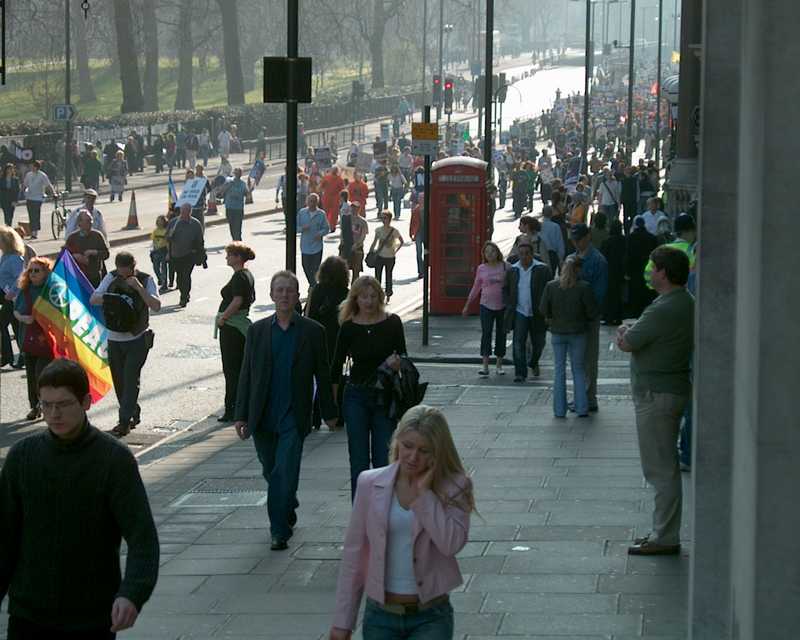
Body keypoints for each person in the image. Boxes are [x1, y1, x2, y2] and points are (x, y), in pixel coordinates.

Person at [0, 359, 160, 638]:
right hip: (29, 614)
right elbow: (5, 537)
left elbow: (142, 537)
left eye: (63, 404)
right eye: (46, 405)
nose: (54, 414)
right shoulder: (22, 457)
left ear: (85, 402)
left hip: (91, 617)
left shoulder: (113, 460)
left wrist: (132, 594)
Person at [329, 405, 474, 640]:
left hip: (431, 617)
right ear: (397, 441)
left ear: (438, 452)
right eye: (408, 446)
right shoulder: (369, 483)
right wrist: (342, 622)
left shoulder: (455, 487)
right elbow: (354, 555)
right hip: (380, 616)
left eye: (424, 450)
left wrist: (425, 495)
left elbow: (451, 544)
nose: (413, 457)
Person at [234, 271, 337, 550]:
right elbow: (246, 373)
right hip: (262, 415)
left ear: (297, 295)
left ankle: (278, 531)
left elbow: (323, 373)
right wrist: (240, 414)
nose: (284, 295)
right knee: (271, 470)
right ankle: (287, 502)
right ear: (271, 295)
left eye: (289, 290)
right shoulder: (257, 331)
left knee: (284, 471)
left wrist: (329, 412)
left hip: (294, 414)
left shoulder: (313, 331)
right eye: (279, 290)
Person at [615, 246, 694, 555]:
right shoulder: (682, 302)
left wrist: (624, 331)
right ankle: (663, 531)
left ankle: (665, 536)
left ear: (664, 272)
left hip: (656, 394)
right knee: (664, 465)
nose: (650, 271)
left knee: (660, 468)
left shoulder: (664, 308)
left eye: (653, 267)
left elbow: (628, 343)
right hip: (670, 390)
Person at [331, 276, 408, 499]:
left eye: (373, 296)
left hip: (384, 395)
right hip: (356, 395)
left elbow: (403, 356)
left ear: (380, 297)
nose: (369, 301)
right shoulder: (348, 327)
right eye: (364, 297)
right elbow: (336, 366)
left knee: (384, 458)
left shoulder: (392, 322)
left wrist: (398, 362)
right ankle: (361, 511)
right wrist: (333, 406)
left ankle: (384, 508)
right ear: (355, 299)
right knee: (359, 460)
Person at [90, 251, 160, 437]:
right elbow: (94, 299)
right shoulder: (111, 278)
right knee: (120, 382)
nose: (122, 273)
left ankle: (124, 421)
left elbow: (156, 305)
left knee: (130, 380)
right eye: (120, 270)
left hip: (137, 338)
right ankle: (132, 411)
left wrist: (139, 288)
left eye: (126, 270)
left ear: (133, 266)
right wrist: (113, 299)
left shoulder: (145, 279)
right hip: (114, 338)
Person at [540, 255, 598, 418]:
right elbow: (592, 312)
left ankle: (559, 410)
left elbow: (543, 309)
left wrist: (551, 317)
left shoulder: (551, 286)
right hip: (578, 332)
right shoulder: (584, 287)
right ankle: (581, 408)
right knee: (578, 370)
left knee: (559, 370)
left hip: (557, 332)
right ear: (578, 270)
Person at [306, 256, 350, 430]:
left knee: (316, 376)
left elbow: (309, 316)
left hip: (318, 339)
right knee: (335, 378)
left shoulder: (317, 290)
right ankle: (336, 414)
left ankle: (315, 416)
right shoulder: (346, 293)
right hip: (338, 341)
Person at [215, 242, 256, 422]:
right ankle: (238, 407)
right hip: (236, 327)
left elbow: (238, 300)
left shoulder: (240, 276)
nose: (227, 257)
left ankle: (232, 409)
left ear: (238, 257)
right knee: (237, 368)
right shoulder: (245, 275)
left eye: (229, 254)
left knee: (231, 369)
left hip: (233, 327)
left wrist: (223, 317)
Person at [570, 223, 608, 412]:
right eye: (574, 240)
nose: (576, 243)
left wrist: (589, 313)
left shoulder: (598, 261)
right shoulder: (572, 258)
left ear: (588, 237)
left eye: (579, 239)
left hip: (588, 317)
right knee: (577, 360)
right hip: (574, 317)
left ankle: (588, 397)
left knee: (589, 359)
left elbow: (599, 294)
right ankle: (581, 396)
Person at [503, 239, 553, 383]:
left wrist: (549, 312)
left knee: (539, 343)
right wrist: (509, 305)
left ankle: (533, 361)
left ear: (532, 254)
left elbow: (550, 291)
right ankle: (520, 372)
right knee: (518, 342)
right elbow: (505, 289)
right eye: (521, 254)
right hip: (520, 311)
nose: (524, 256)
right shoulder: (513, 270)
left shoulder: (542, 269)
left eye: (527, 253)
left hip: (537, 312)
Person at [12, 257, 55, 420]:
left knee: (41, 375)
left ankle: (46, 405)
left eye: (37, 270)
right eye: (30, 270)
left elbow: (61, 312)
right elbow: (15, 311)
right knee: (31, 376)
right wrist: (24, 318)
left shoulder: (51, 290)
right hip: (28, 339)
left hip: (47, 341)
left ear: (46, 272)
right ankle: (35, 406)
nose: (33, 274)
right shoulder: (25, 290)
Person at [463, 241, 508, 377]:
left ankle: (499, 365)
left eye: (492, 251)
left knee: (501, 334)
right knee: (486, 334)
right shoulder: (481, 268)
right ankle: (485, 366)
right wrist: (467, 304)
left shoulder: (506, 266)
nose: (490, 254)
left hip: (502, 306)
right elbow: (476, 287)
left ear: (497, 252)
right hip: (486, 305)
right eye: (487, 252)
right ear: (484, 254)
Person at [166, 202, 204, 307]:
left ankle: (184, 296)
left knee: (186, 275)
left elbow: (200, 240)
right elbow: (167, 239)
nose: (183, 214)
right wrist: (168, 251)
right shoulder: (174, 223)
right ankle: (184, 292)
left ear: (190, 212)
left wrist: (200, 253)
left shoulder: (195, 224)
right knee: (179, 277)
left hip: (189, 254)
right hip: (176, 254)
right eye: (182, 212)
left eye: (186, 212)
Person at [65, 210, 110, 288]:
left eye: (91, 220)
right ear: (79, 223)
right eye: (87, 220)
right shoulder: (72, 238)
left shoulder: (97, 235)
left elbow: (106, 254)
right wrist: (75, 257)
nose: (91, 222)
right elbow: (64, 256)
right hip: (78, 276)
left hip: (94, 276)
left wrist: (94, 252)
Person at [0, 226, 25, 369]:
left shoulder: (15, 258)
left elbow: (20, 278)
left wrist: (13, 292)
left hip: (14, 298)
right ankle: (20, 356)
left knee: (3, 323)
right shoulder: (5, 257)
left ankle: (7, 356)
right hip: (6, 296)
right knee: (15, 326)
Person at [626, 216, 659, 317]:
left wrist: (627, 271)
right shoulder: (652, 238)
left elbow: (628, 256)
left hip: (635, 271)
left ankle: (636, 314)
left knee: (636, 295)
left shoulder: (630, 238)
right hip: (649, 270)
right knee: (648, 295)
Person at [369, 210, 405, 303]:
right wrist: (371, 251)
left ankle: (388, 294)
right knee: (377, 276)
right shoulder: (378, 230)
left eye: (385, 218)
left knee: (388, 276)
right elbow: (374, 242)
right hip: (380, 256)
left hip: (390, 257)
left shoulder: (394, 231)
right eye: (382, 218)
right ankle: (377, 295)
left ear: (389, 219)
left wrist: (395, 250)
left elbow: (402, 241)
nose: (383, 220)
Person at [297, 193, 330, 290]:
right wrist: (302, 228)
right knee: (306, 267)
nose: (312, 203)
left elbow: (326, 228)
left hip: (317, 247)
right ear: (307, 202)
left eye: (314, 201)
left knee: (315, 269)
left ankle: (313, 287)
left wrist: (320, 234)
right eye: (310, 201)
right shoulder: (302, 213)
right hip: (305, 246)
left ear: (317, 203)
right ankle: (314, 285)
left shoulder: (321, 214)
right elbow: (295, 226)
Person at [600, 219, 627, 325]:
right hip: (620, 271)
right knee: (619, 294)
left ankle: (609, 317)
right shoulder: (624, 241)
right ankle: (618, 317)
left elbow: (603, 257)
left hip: (609, 271)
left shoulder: (607, 242)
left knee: (609, 295)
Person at [22, 160, 54, 239]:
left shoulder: (42, 175)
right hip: (29, 197)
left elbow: (48, 185)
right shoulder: (28, 174)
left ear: (36, 167)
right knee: (31, 215)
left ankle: (35, 232)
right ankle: (32, 230)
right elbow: (24, 185)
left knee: (36, 215)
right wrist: (22, 192)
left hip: (38, 198)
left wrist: (53, 193)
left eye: (33, 166)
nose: (31, 167)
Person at [223, 167, 250, 241]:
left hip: (238, 209)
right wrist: (227, 186)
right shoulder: (229, 181)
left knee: (238, 228)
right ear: (234, 173)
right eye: (236, 173)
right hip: (229, 208)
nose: (238, 174)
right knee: (232, 227)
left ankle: (238, 242)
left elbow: (247, 195)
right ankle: (235, 240)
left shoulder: (243, 184)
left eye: (239, 173)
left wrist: (249, 192)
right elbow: (222, 191)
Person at [540, 205, 566, 274]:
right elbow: (559, 242)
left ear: (542, 214)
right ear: (551, 214)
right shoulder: (555, 226)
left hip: (541, 253)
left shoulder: (540, 225)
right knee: (551, 274)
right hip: (552, 254)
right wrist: (561, 258)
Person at [321, 166, 346, 231]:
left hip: (329, 197)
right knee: (333, 213)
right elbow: (343, 190)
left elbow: (321, 187)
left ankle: (328, 226)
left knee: (329, 213)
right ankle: (331, 226)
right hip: (333, 198)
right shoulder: (339, 179)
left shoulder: (327, 178)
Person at [150, 214, 169, 293]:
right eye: (158, 221)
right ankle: (160, 279)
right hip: (156, 251)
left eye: (160, 221)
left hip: (164, 250)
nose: (159, 222)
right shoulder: (155, 231)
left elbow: (168, 242)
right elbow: (153, 240)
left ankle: (164, 284)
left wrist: (168, 253)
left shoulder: (166, 231)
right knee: (155, 267)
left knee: (164, 268)